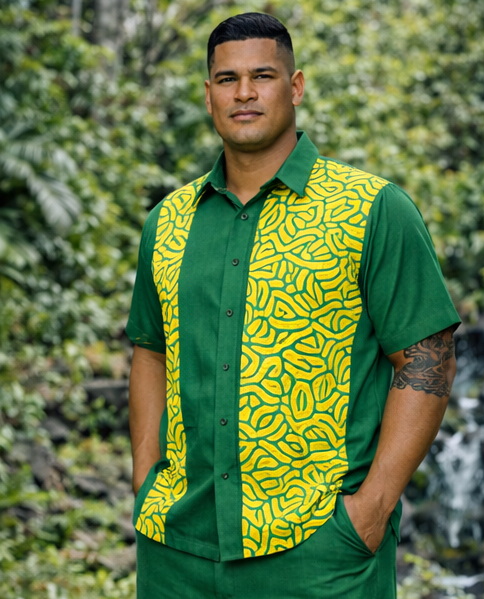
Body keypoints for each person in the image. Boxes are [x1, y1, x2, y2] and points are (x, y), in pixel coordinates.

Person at [126, 12, 460, 599]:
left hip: (320, 557)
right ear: (208, 95)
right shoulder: (168, 221)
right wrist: (145, 480)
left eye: (263, 76)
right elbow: (151, 353)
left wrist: (371, 511)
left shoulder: (372, 209)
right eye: (227, 79)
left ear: (296, 86)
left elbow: (427, 357)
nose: (244, 93)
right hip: (177, 555)